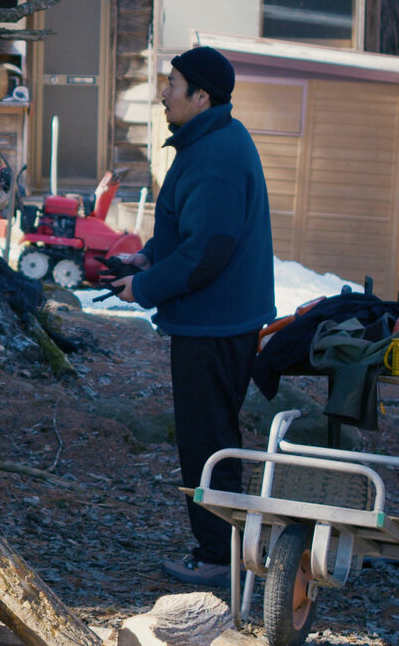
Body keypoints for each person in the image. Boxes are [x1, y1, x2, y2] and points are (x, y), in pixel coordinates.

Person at [107, 45, 275, 586]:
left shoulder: (218, 153)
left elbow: (210, 251)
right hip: (213, 319)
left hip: (217, 324)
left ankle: (218, 557)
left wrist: (145, 287)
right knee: (208, 436)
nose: (163, 93)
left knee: (209, 440)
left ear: (202, 95)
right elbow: (189, 230)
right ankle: (223, 549)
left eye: (173, 84)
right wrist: (150, 255)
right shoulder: (207, 142)